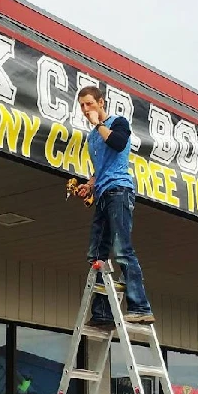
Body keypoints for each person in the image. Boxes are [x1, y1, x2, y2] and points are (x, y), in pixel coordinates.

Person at [76, 85, 155, 328]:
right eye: (82, 106)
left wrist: (98, 124)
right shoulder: (92, 138)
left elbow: (119, 144)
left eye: (89, 104)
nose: (85, 109)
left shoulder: (118, 123)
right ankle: (102, 314)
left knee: (122, 249)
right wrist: (89, 185)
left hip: (119, 191)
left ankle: (140, 307)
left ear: (101, 103)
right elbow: (100, 169)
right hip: (102, 193)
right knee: (97, 255)